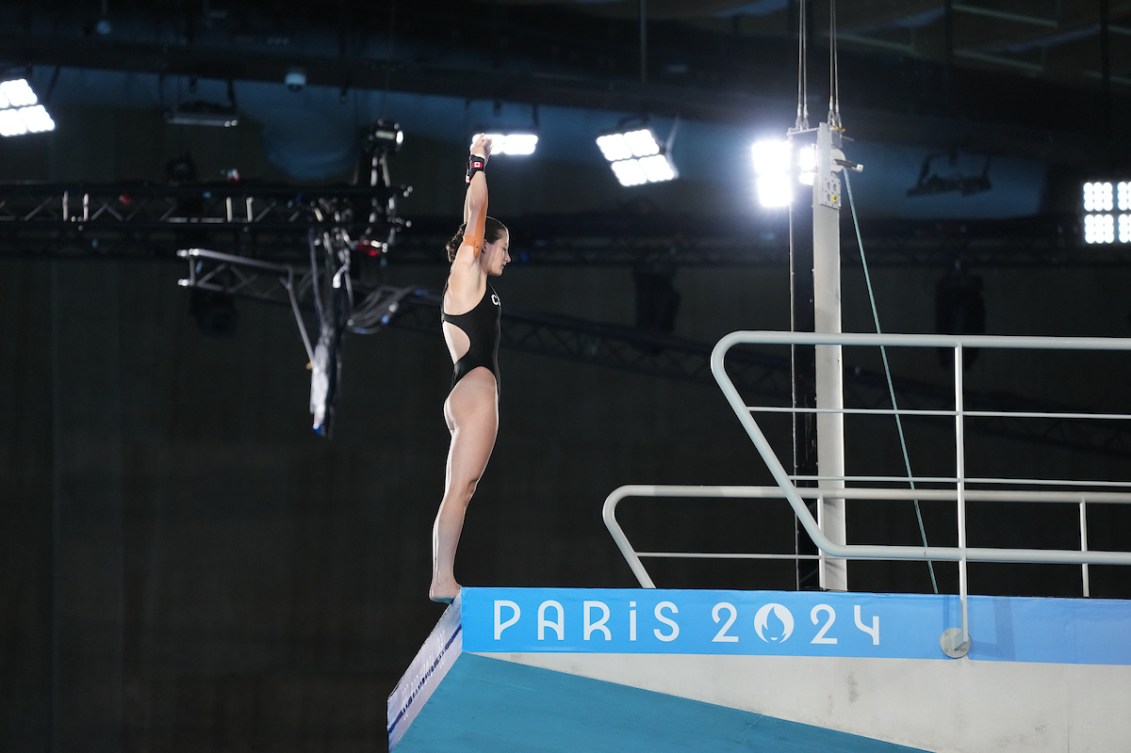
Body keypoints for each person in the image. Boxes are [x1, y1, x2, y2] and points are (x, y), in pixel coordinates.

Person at [430, 134, 511, 604]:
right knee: (460, 490)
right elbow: (475, 217)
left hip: (467, 389)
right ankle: (442, 580)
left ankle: (444, 577)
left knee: (461, 489)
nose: (507, 256)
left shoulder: (473, 281)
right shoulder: (467, 270)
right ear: (482, 247)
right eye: (503, 248)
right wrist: (478, 162)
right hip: (475, 390)